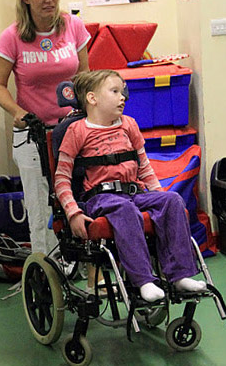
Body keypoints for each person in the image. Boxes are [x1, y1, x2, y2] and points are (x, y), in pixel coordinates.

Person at [54, 69, 206, 302]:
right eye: (114, 91)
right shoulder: (76, 131)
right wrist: (73, 213)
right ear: (92, 99)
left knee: (173, 200)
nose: (122, 96)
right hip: (100, 198)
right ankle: (144, 280)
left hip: (134, 192)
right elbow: (62, 178)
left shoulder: (129, 125)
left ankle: (180, 275)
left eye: (122, 91)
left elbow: (144, 167)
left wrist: (159, 196)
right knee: (125, 210)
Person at [0, 0, 91, 258]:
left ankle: (83, 261)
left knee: (78, 197)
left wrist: (89, 110)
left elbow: (85, 75)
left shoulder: (73, 27)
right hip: (33, 135)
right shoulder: (12, 37)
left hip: (73, 129)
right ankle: (47, 267)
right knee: (40, 205)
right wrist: (18, 112)